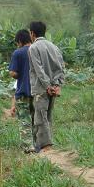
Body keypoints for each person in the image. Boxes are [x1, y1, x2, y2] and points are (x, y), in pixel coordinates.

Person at [28, 21, 65, 152]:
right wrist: (57, 84)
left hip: (41, 88)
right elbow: (61, 67)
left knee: (40, 117)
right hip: (53, 88)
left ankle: (46, 147)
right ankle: (43, 146)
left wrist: (47, 85)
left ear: (32, 33)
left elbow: (38, 70)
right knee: (48, 116)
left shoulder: (33, 48)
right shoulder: (54, 47)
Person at [8, 29, 34, 153]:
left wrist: (19, 75)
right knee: (37, 119)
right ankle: (40, 145)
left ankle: (28, 147)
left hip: (23, 91)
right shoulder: (37, 50)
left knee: (25, 120)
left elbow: (12, 72)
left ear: (20, 41)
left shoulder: (18, 53)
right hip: (38, 91)